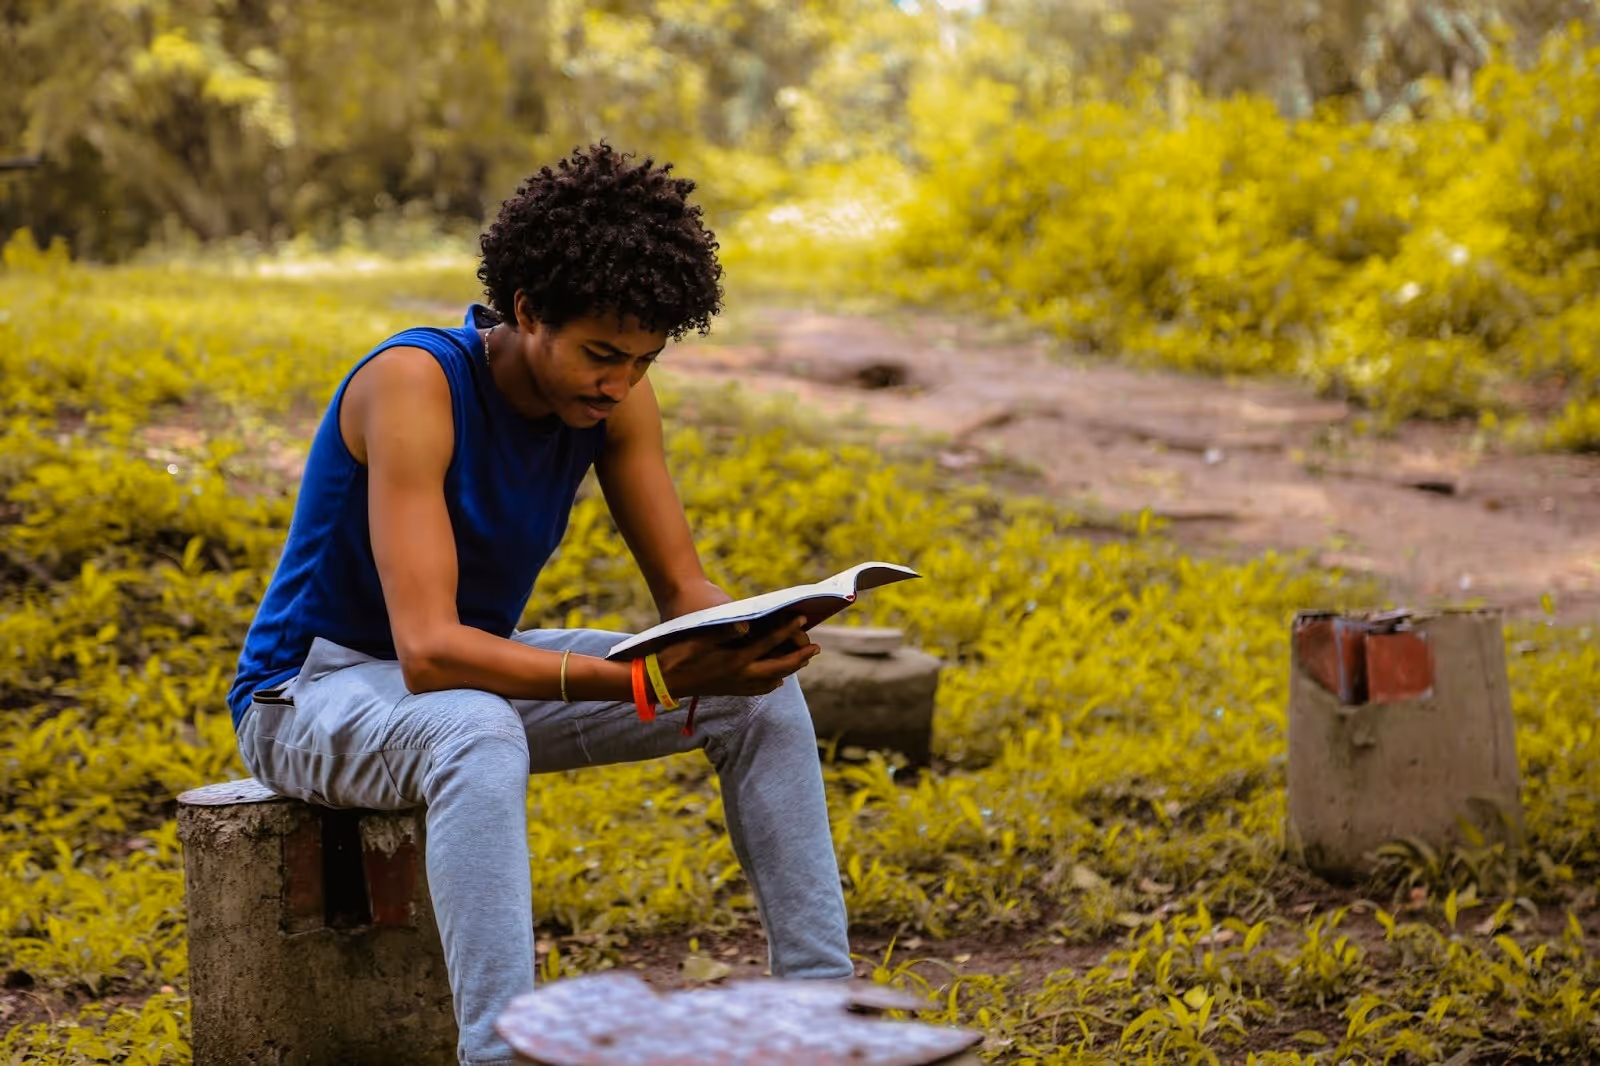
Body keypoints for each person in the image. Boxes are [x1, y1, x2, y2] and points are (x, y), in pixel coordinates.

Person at [226, 143, 853, 1065]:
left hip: (457, 680)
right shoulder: (414, 383)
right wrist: (641, 682)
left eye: (643, 361)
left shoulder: (614, 403)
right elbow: (432, 650)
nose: (621, 382)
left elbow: (684, 590)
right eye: (602, 354)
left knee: (754, 698)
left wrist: (747, 638)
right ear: (525, 310)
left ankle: (825, 1016)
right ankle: (503, 1053)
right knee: (475, 730)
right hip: (308, 695)